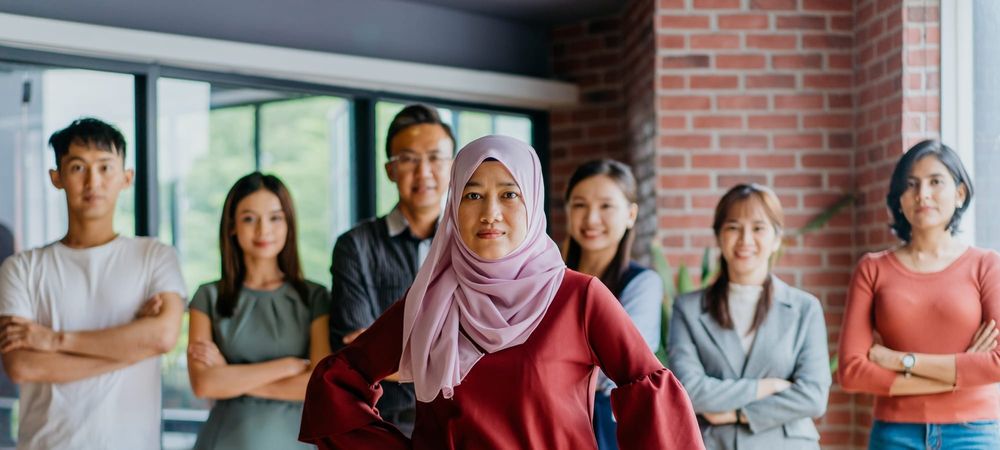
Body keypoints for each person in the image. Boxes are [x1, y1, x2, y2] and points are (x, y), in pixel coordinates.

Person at [299, 135, 704, 450]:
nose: (490, 212)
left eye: (509, 194)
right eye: (472, 195)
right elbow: (336, 383)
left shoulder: (579, 298)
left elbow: (653, 394)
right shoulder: (428, 303)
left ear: (534, 202)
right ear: (454, 205)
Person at [0, 118, 186, 449]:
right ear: (56, 178)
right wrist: (133, 346)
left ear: (126, 178)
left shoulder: (155, 256)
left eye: (105, 167)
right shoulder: (22, 268)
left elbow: (163, 336)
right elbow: (23, 366)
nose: (93, 181)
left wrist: (53, 340)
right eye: (77, 168)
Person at [838, 140, 1000, 449]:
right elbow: (852, 371)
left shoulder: (986, 265)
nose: (922, 194)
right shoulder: (872, 269)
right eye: (910, 185)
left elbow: (998, 362)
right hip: (895, 435)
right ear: (899, 199)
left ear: (960, 193)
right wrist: (962, 370)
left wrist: (901, 360)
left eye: (935, 182)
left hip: (973, 432)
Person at [669, 183, 830, 449]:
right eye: (733, 227)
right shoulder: (687, 309)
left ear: (777, 238)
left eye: (758, 228)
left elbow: (814, 396)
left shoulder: (804, 308)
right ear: (719, 235)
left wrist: (738, 414)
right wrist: (765, 387)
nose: (745, 240)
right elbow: (689, 390)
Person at [327, 104, 455, 436]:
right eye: (409, 159)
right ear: (389, 169)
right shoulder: (355, 246)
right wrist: (452, 355)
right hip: (383, 424)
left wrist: (401, 357)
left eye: (435, 158)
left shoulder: (469, 245)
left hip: (460, 419)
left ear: (454, 167)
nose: (424, 171)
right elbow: (357, 349)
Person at [187, 172, 331, 449]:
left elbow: (319, 387)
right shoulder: (208, 296)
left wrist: (230, 376)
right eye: (249, 218)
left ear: (288, 223)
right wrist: (287, 366)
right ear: (232, 226)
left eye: (275, 218)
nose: (263, 230)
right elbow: (204, 384)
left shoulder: (315, 296)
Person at [563, 159, 663, 450]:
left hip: (605, 428)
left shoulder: (642, 283)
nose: (591, 218)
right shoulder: (544, 277)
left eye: (606, 206)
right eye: (580, 205)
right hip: (543, 422)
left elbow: (621, 366)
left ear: (631, 214)